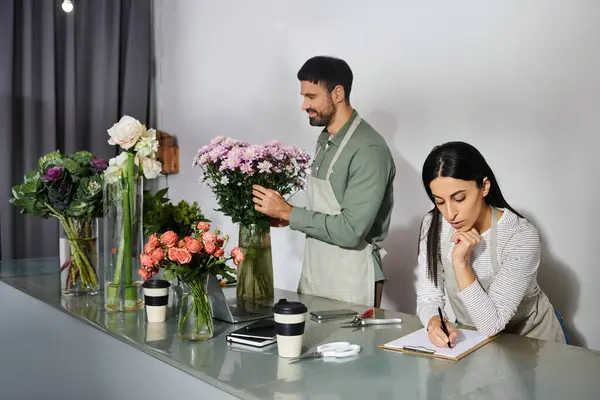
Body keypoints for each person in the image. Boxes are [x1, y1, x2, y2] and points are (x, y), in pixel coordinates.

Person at [251, 55, 396, 307]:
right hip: (316, 276)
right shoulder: (325, 139)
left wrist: (290, 212)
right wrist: (285, 217)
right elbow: (331, 210)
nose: (304, 105)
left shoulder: (369, 149)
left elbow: (351, 232)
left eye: (311, 97)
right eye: (303, 96)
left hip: (352, 280)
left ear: (337, 94)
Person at [416, 141, 566, 347]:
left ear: (484, 187)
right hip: (477, 342)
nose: (450, 213)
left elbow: (491, 324)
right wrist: (433, 321)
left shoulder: (521, 236)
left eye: (459, 198)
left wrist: (460, 263)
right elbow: (428, 297)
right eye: (440, 202)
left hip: (535, 343)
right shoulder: (434, 225)